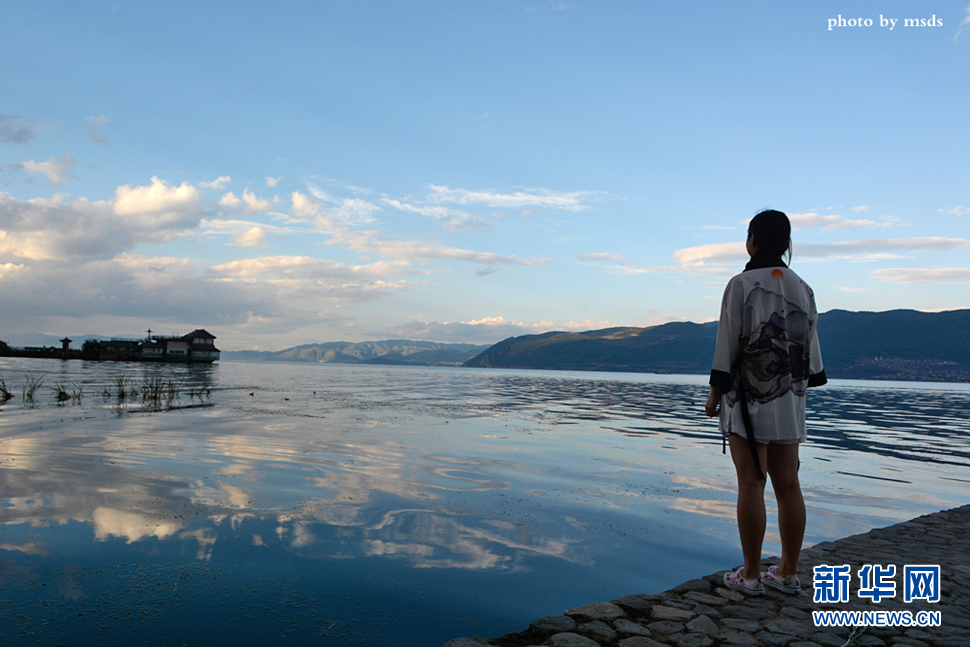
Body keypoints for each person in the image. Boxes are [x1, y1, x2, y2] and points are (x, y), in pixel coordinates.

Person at [704, 209, 826, 596]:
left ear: (752, 240)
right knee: (788, 484)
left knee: (750, 481)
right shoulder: (802, 287)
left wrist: (714, 392)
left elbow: (729, 340)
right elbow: (811, 353)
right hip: (790, 397)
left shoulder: (740, 284)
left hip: (748, 400)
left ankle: (752, 574)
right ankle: (788, 572)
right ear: (787, 244)